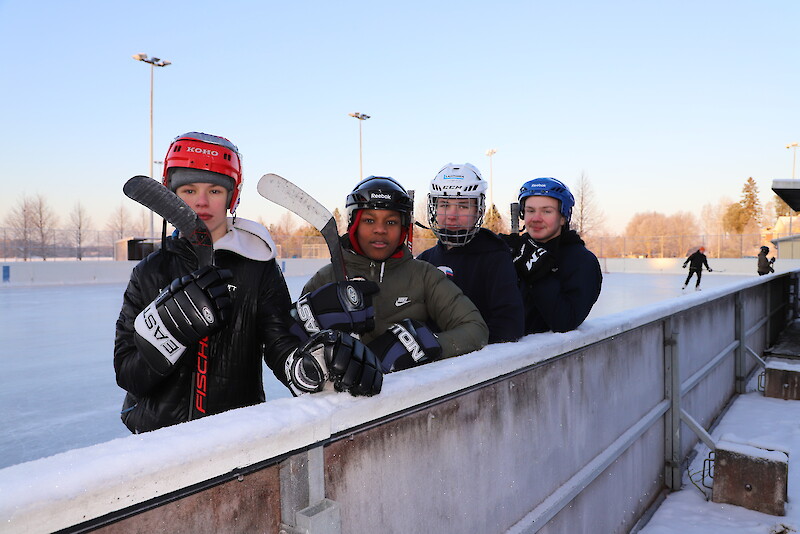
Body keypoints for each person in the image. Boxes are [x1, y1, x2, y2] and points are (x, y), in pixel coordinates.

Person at [114, 132, 382, 433]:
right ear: (170, 193)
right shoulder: (149, 272)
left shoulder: (258, 265)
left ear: (232, 196)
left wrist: (316, 364)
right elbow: (128, 373)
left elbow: (281, 345)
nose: (202, 202)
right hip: (156, 440)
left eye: (215, 190)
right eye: (189, 190)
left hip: (237, 438)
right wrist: (167, 335)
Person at [299, 176, 489, 373]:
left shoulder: (424, 276)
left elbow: (475, 328)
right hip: (341, 402)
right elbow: (291, 354)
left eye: (391, 222)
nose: (380, 230)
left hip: (411, 397)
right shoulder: (325, 280)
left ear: (403, 228)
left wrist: (426, 345)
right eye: (369, 220)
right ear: (354, 224)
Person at [416, 163, 524, 343]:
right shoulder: (425, 260)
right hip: (434, 366)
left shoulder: (495, 257)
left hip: (474, 364)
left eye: (463, 206)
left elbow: (509, 325)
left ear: (479, 211)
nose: (452, 215)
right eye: (444, 204)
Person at [500, 177, 602, 334]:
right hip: (499, 353)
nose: (536, 219)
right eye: (530, 211)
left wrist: (538, 272)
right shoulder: (514, 251)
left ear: (563, 217)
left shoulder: (582, 261)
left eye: (547, 211)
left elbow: (565, 321)